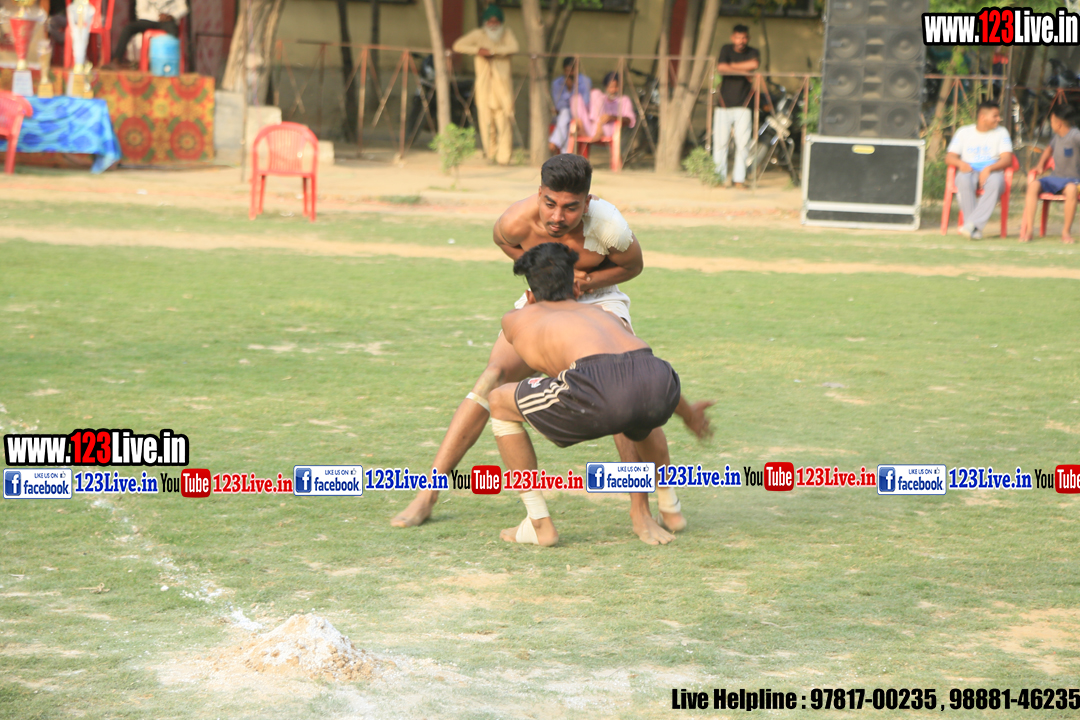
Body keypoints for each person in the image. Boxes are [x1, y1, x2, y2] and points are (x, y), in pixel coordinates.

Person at [390, 154, 713, 530]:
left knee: (621, 385)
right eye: (550, 203)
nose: (558, 217)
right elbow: (504, 243)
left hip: (599, 298)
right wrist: (544, 273)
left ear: (587, 203)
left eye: (570, 207)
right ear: (539, 192)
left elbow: (633, 265)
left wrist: (585, 281)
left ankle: (642, 510)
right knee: (491, 378)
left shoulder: (608, 225)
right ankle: (427, 494)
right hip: (545, 296)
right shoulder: (515, 220)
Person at [489, 243, 681, 546]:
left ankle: (539, 523)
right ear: (577, 289)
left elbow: (532, 364)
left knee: (499, 400)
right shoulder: (603, 313)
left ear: (529, 296)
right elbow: (635, 365)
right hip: (660, 377)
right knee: (637, 413)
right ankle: (670, 505)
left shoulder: (516, 318)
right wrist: (689, 413)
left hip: (601, 386)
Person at [452, 5, 518, 166]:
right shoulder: (478, 34)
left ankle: (504, 158)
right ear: (485, 22)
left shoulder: (507, 34)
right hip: (484, 88)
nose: (493, 24)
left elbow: (514, 47)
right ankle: (491, 155)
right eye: (490, 21)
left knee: (504, 122)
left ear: (500, 22)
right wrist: (478, 50)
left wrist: (493, 52)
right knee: (486, 122)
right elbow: (458, 45)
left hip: (502, 89)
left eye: (496, 21)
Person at [945, 100, 1013, 240]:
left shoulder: (1002, 132)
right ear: (983, 117)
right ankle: (973, 228)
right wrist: (960, 163)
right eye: (995, 116)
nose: (998, 119)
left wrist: (989, 168)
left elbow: (1007, 159)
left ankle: (970, 225)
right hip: (969, 170)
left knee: (996, 182)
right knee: (963, 179)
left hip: (993, 171)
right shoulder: (963, 132)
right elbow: (949, 157)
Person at [1020, 104, 1080, 244]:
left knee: (1071, 190)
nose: (1050, 124)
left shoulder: (1075, 135)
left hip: (1073, 181)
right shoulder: (1056, 137)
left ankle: (1066, 232)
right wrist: (1040, 165)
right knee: (1033, 186)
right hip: (1055, 178)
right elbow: (1048, 150)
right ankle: (1029, 231)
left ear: (1058, 124)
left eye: (1051, 121)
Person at [713, 25, 760, 188]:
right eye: (738, 37)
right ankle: (718, 179)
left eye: (744, 37)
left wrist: (731, 67)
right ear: (733, 37)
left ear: (748, 38)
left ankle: (739, 179)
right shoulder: (726, 49)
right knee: (720, 143)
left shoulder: (753, 51)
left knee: (743, 144)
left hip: (744, 105)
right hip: (723, 105)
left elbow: (754, 64)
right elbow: (721, 68)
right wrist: (744, 71)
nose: (741, 41)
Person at [569, 71, 635, 146]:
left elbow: (630, 120)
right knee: (578, 97)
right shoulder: (601, 98)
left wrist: (611, 117)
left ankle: (598, 130)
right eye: (611, 87)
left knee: (595, 93)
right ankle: (582, 128)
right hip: (592, 128)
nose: (613, 90)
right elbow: (587, 111)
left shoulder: (624, 100)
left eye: (616, 87)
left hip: (608, 129)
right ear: (606, 87)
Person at [549, 57, 592, 155]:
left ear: (576, 70)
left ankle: (554, 141)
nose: (570, 74)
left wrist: (572, 89)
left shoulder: (585, 81)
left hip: (580, 117)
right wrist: (568, 90)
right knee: (566, 117)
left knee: (566, 115)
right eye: (567, 71)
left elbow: (585, 103)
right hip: (563, 116)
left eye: (572, 71)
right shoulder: (557, 83)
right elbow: (558, 105)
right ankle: (565, 155)